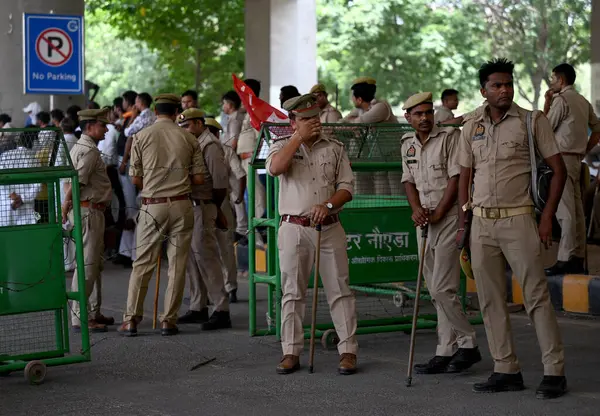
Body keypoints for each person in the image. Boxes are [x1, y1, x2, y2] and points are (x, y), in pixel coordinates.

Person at [457, 58, 567, 399]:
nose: (504, 90)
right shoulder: (471, 124)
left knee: (536, 296)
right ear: (483, 91)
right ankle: (505, 369)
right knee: (489, 300)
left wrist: (547, 215)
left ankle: (554, 371)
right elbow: (464, 173)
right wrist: (465, 220)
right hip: (481, 222)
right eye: (496, 85)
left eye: (508, 84)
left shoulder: (532, 121)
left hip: (519, 218)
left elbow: (559, 170)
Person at [266, 93, 358, 375]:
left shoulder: (335, 147)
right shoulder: (281, 145)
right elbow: (274, 168)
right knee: (292, 292)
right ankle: (291, 352)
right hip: (293, 228)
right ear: (293, 122)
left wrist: (329, 205)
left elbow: (347, 187)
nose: (313, 123)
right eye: (305, 119)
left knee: (340, 290)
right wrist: (297, 138)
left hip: (330, 227)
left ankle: (348, 351)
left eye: (315, 118)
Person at [401, 92, 480, 375]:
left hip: (446, 218)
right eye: (417, 114)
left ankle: (468, 343)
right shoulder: (406, 144)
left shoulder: (449, 138)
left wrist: (436, 212)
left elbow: (455, 179)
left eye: (428, 113)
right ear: (407, 117)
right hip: (424, 221)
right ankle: (445, 350)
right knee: (435, 292)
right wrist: (416, 210)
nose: (424, 118)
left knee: (442, 288)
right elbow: (408, 181)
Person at [119, 94, 205, 337]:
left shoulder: (141, 136)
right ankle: (169, 320)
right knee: (177, 266)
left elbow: (135, 179)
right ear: (178, 111)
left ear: (155, 111)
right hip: (182, 205)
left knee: (142, 264)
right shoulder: (189, 138)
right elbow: (199, 179)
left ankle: (131, 320)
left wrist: (156, 183)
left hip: (152, 206)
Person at [176, 108, 233, 329]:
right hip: (191, 206)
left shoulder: (210, 144)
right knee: (192, 258)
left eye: (188, 125)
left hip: (205, 205)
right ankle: (198, 305)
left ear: (200, 124)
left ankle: (221, 308)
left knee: (207, 257)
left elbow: (219, 184)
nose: (185, 130)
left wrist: (215, 209)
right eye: (182, 126)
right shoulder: (192, 143)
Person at [543, 63, 600, 275]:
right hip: (576, 159)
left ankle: (565, 258)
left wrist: (547, 103)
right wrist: (585, 149)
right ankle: (578, 256)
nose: (551, 82)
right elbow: (597, 128)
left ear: (561, 80)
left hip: (562, 160)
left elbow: (545, 129)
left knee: (564, 210)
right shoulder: (582, 101)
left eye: (552, 78)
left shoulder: (561, 100)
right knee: (576, 210)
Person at [61, 108, 115, 333]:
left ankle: (92, 311)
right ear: (90, 126)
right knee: (87, 267)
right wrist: (64, 210)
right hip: (88, 212)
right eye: (103, 125)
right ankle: (81, 317)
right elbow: (75, 185)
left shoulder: (82, 147)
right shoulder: (89, 151)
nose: (106, 129)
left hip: (89, 212)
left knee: (93, 265)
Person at [206, 117, 246, 301]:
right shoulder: (224, 150)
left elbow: (240, 174)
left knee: (222, 247)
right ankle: (227, 288)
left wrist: (238, 196)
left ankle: (227, 288)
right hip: (214, 203)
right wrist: (238, 196)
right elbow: (240, 174)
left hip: (214, 203)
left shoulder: (224, 150)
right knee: (222, 247)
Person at [0, 134, 41, 226]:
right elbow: (38, 186)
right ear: (34, 143)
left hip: (7, 208)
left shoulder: (5, 156)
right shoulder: (35, 159)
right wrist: (22, 198)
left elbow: (2, 182)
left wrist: (13, 197)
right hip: (28, 212)